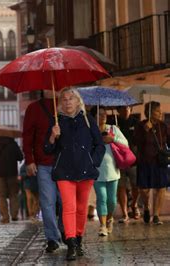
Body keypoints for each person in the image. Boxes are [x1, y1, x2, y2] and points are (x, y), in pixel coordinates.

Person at [44, 87, 105, 261]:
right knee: (68, 206)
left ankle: (78, 238)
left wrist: (93, 161)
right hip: (64, 171)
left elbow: (99, 145)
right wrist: (52, 137)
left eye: (71, 98)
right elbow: (47, 149)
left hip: (86, 171)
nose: (67, 102)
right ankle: (70, 243)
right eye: (64, 99)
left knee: (81, 208)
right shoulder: (56, 121)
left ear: (78, 101)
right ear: (60, 103)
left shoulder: (88, 119)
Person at [23, 90, 63, 253]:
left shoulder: (65, 106)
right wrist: (29, 160)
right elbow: (27, 137)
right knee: (47, 202)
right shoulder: (33, 109)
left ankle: (65, 231)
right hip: (43, 164)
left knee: (65, 202)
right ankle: (52, 237)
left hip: (65, 164)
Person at [91, 107, 128, 236]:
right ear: (94, 117)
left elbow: (126, 144)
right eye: (100, 114)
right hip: (97, 170)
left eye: (104, 114)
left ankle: (110, 218)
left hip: (112, 170)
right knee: (102, 198)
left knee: (112, 200)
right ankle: (102, 225)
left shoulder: (113, 129)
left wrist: (113, 139)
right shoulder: (90, 130)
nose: (103, 116)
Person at [134, 101, 168, 225]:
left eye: (160, 111)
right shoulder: (140, 126)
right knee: (144, 189)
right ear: (149, 112)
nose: (160, 113)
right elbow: (136, 142)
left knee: (161, 187)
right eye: (157, 111)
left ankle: (157, 215)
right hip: (144, 162)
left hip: (159, 162)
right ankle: (147, 207)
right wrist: (145, 130)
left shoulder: (163, 126)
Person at [112, 106, 140, 222]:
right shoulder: (113, 123)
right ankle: (125, 213)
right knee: (121, 187)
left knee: (136, 185)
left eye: (127, 108)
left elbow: (140, 140)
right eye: (122, 109)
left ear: (131, 109)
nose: (125, 110)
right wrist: (115, 132)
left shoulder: (136, 123)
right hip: (119, 160)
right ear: (118, 110)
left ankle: (134, 204)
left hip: (133, 159)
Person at [0, 136, 23, 223]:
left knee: (1, 196)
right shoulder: (13, 144)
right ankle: (14, 215)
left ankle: (5, 217)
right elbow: (20, 157)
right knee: (14, 195)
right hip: (12, 173)